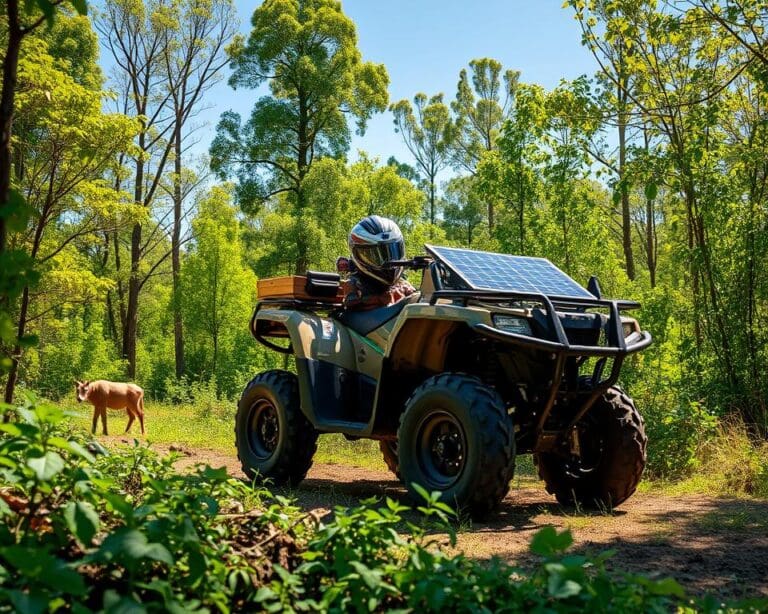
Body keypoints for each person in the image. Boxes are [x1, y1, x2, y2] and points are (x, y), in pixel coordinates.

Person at [342, 215, 415, 310]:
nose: (388, 262)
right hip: (368, 322)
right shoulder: (356, 283)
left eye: (393, 252)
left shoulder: (401, 283)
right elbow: (351, 301)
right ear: (357, 256)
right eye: (374, 255)